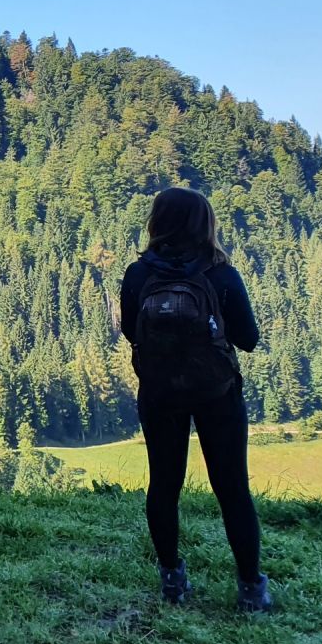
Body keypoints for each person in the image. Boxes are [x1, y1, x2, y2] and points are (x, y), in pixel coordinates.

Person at [119, 186, 269, 611]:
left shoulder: (138, 275)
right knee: (232, 489)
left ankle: (172, 580)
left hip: (159, 392)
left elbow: (133, 331)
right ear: (205, 224)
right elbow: (250, 339)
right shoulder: (220, 275)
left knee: (164, 485)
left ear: (157, 221)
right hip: (216, 392)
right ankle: (250, 588)